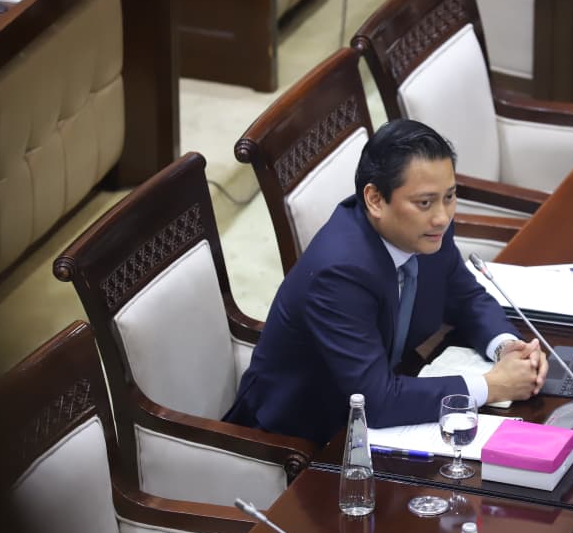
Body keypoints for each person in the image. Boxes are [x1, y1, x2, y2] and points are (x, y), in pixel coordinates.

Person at [225, 119, 547, 445]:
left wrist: (507, 348)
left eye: (450, 196)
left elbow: (466, 298)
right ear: (375, 200)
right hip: (298, 441)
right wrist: (493, 386)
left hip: (381, 407)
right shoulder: (338, 274)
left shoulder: (426, 231)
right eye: (424, 203)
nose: (442, 217)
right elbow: (376, 401)